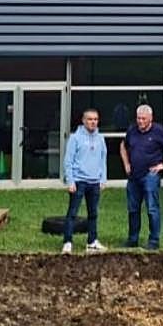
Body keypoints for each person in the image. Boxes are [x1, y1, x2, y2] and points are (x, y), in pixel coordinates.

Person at [120, 104, 163, 251]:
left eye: (143, 119)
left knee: (152, 208)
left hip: (150, 176)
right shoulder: (132, 130)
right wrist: (126, 163)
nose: (140, 121)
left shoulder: (158, 131)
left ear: (150, 118)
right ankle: (132, 239)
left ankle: (154, 240)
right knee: (133, 209)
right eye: (138, 118)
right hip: (134, 176)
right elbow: (123, 146)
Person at [61, 109, 108, 254]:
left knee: (93, 213)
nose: (93, 122)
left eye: (95, 119)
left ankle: (92, 241)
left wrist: (103, 179)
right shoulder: (75, 138)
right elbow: (68, 161)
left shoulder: (100, 138)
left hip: (94, 182)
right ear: (83, 120)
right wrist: (70, 181)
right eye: (90, 119)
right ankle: (68, 242)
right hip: (79, 181)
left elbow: (102, 160)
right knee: (73, 213)